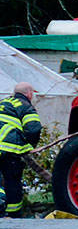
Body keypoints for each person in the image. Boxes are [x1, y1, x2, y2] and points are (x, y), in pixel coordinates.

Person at [0, 82, 41, 217]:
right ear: (29, 93)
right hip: (7, 149)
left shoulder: (4, 102)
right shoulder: (25, 106)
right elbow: (33, 129)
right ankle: (13, 216)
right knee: (12, 181)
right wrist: (29, 147)